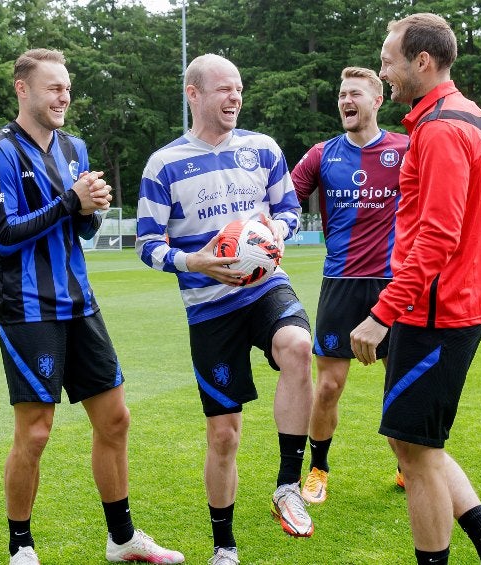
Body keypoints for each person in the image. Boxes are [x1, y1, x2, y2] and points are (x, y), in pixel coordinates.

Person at [0, 48, 183, 565]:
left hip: (79, 303)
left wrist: (91, 208)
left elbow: (80, 227)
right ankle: (20, 546)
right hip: (27, 308)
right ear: (23, 89)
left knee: (115, 419)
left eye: (67, 87)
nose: (64, 96)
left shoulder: (75, 147)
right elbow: (3, 236)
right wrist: (71, 201)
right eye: (53, 87)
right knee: (36, 430)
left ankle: (122, 538)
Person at [350, 13, 481, 565]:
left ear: (421, 61)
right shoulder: (460, 114)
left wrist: (382, 313)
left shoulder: (444, 129)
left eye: (388, 60)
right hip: (443, 307)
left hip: (437, 314)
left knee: (416, 455)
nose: (385, 71)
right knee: (413, 443)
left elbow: (440, 235)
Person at [137, 53, 315, 565]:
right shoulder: (163, 164)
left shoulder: (263, 150)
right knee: (223, 434)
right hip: (209, 309)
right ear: (193, 94)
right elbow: (147, 243)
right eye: (223, 89)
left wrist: (270, 236)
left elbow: (289, 210)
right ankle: (225, 547)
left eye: (239, 89)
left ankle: (287, 485)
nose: (234, 97)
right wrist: (194, 261)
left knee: (298, 346)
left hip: (264, 289)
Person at [290, 67, 409, 504]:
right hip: (340, 283)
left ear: (376, 101)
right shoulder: (322, 154)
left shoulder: (406, 148)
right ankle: (318, 469)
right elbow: (285, 199)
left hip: (395, 285)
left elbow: (447, 195)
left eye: (354, 93)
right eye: (341, 94)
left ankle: (406, 465)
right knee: (328, 387)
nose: (345, 101)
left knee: (398, 385)